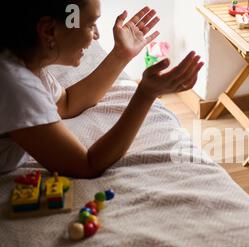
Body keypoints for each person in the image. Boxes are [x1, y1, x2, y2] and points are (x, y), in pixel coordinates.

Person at [0, 0, 203, 178]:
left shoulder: (25, 62)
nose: (96, 35)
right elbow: (87, 165)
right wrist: (145, 94)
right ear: (48, 30)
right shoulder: (16, 86)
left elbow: (66, 103)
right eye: (90, 25)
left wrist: (121, 55)